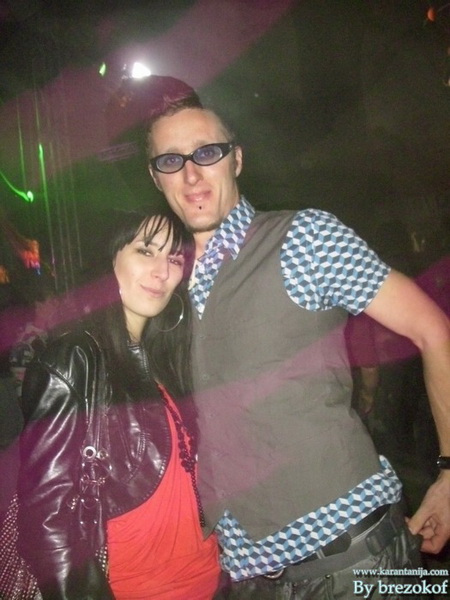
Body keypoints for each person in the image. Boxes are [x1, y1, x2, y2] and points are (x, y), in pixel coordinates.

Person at [141, 77, 450, 599]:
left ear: (237, 159)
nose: (191, 174)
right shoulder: (164, 283)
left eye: (207, 153)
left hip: (356, 561)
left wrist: (449, 473)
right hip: (248, 573)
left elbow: (432, 328)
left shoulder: (305, 238)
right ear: (156, 177)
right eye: (171, 160)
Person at [17, 208, 221, 599]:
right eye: (146, 251)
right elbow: (44, 518)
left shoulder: (168, 359)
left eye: (174, 259)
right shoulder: (76, 358)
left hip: (207, 581)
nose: (162, 271)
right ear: (110, 260)